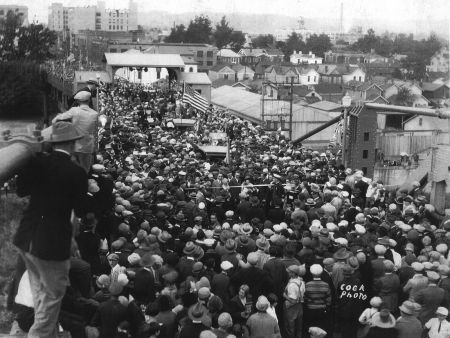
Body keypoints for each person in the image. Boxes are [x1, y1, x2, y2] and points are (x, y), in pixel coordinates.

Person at [13, 121, 88, 338]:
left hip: (26, 238)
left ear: (52, 142)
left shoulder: (36, 163)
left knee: (40, 295)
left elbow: (21, 190)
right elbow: (82, 209)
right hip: (52, 246)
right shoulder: (77, 172)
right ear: (73, 143)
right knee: (52, 297)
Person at [53, 90, 99, 173]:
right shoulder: (95, 114)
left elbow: (56, 119)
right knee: (85, 170)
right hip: (88, 146)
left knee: (73, 169)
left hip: (75, 145)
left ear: (77, 101)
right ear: (88, 100)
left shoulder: (74, 110)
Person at [283, 265, 305, 338]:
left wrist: (284, 295)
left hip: (291, 307)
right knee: (299, 327)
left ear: (293, 273)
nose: (288, 273)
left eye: (289, 272)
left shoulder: (292, 285)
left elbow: (293, 301)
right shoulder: (301, 282)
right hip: (300, 306)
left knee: (290, 327)